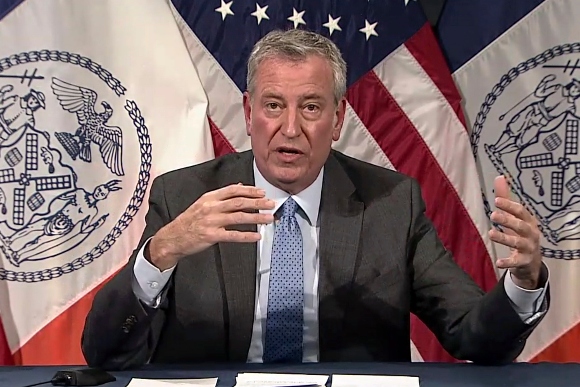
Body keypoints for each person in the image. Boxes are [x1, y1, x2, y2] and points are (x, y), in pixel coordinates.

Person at [81, 29, 549, 370]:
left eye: (310, 106)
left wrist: (524, 283)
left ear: (338, 117)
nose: (290, 129)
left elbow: (473, 334)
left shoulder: (392, 203)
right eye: (273, 105)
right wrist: (158, 253)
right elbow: (104, 352)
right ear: (248, 113)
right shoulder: (185, 196)